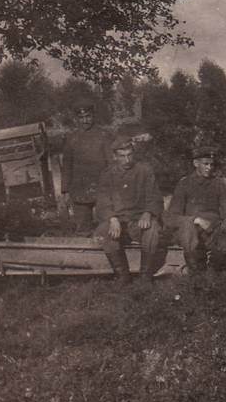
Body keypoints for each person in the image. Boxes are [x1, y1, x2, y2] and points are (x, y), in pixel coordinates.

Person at [94, 134, 164, 285]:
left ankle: (145, 275)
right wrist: (112, 218)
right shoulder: (107, 175)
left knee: (153, 230)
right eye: (122, 156)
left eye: (129, 155)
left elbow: (155, 197)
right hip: (119, 223)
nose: (127, 160)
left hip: (139, 222)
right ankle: (122, 276)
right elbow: (102, 201)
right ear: (114, 156)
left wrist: (148, 213)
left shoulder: (145, 170)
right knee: (103, 231)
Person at [166, 146, 226, 281]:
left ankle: (213, 269)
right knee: (189, 229)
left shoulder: (218, 184)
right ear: (196, 164)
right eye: (205, 164)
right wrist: (196, 220)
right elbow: (171, 217)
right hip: (190, 230)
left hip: (212, 229)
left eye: (212, 164)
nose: (209, 168)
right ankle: (195, 273)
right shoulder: (184, 184)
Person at [60, 98, 113, 230]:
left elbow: (111, 162)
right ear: (77, 118)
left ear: (93, 115)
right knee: (83, 227)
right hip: (79, 189)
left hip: (102, 187)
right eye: (81, 117)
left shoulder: (104, 135)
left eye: (88, 116)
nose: (85, 120)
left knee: (107, 223)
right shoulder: (71, 138)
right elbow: (67, 165)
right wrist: (65, 190)